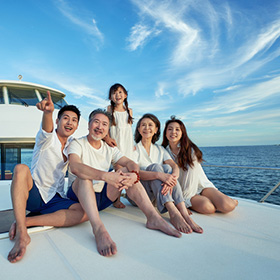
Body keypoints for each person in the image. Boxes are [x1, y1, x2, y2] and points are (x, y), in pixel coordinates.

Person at [66, 109, 181, 257]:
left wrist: (134, 175)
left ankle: (153, 218)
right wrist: (106, 176)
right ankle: (98, 229)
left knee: (127, 170)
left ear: (107, 130)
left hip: (101, 198)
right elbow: (75, 167)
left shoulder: (109, 149)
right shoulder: (77, 143)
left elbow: (130, 162)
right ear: (88, 125)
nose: (100, 126)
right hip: (79, 195)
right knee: (84, 177)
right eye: (96, 122)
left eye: (104, 124)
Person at [7, 91, 88, 263]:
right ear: (58, 121)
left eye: (74, 120)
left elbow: (92, 140)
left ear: (77, 126)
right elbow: (46, 128)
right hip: (35, 194)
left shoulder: (73, 145)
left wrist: (108, 137)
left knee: (84, 212)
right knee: (21, 168)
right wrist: (48, 113)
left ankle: (27, 221)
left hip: (54, 197)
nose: (70, 122)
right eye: (66, 118)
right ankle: (22, 234)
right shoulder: (48, 138)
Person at [132, 113, 203, 234]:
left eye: (150, 125)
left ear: (156, 130)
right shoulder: (134, 149)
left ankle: (184, 214)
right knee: (156, 168)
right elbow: (134, 174)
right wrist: (159, 175)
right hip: (141, 196)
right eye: (143, 125)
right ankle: (173, 212)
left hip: (159, 195)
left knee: (167, 168)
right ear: (138, 129)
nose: (146, 128)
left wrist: (171, 180)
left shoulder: (160, 149)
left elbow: (174, 166)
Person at [162, 116, 238, 214]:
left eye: (177, 129)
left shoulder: (190, 151)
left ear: (182, 133)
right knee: (208, 208)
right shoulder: (163, 151)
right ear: (165, 133)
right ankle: (208, 200)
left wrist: (182, 203)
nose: (173, 132)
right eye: (170, 129)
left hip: (199, 186)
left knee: (228, 206)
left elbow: (190, 178)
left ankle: (228, 200)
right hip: (181, 191)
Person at [103, 83, 134, 208]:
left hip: (127, 145)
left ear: (125, 95)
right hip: (115, 145)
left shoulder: (129, 111)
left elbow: (129, 131)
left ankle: (122, 196)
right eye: (114, 93)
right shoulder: (110, 110)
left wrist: (133, 145)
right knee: (118, 171)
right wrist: (107, 138)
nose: (118, 95)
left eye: (120, 92)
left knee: (126, 172)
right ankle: (116, 199)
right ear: (110, 97)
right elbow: (107, 128)